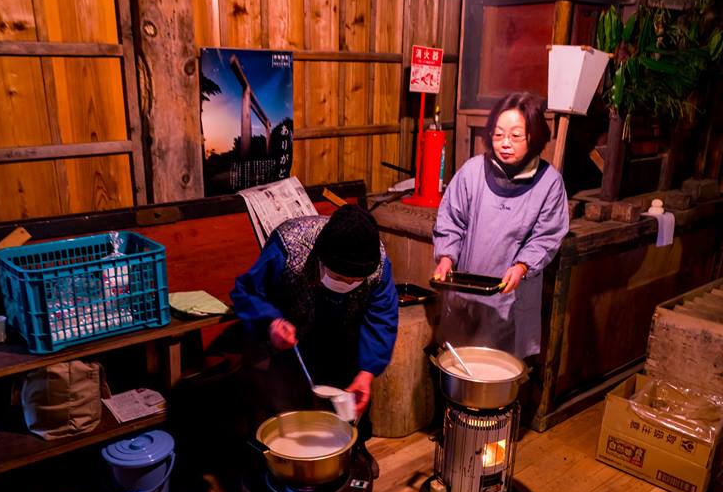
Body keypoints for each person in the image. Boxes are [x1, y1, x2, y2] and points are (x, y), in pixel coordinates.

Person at [230, 204, 399, 448]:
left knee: (349, 398)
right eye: (340, 277)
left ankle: (355, 449)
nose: (348, 283)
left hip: (344, 334)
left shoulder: (378, 264)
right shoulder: (289, 246)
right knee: (283, 402)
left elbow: (383, 315)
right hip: (290, 338)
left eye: (356, 281)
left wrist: (367, 372)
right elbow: (246, 292)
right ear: (321, 258)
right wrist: (271, 322)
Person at [432, 91, 569, 360]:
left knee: (500, 374)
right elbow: (451, 220)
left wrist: (522, 266)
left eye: (516, 136)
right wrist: (446, 257)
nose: (505, 143)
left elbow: (546, 236)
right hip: (466, 297)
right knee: (458, 366)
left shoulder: (549, 182)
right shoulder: (472, 172)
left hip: (510, 302)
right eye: (498, 134)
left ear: (534, 136)